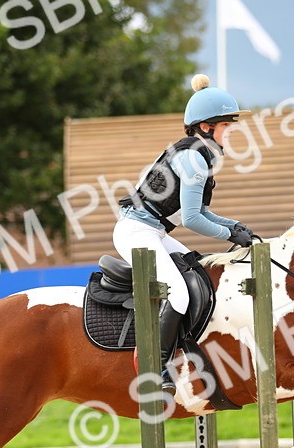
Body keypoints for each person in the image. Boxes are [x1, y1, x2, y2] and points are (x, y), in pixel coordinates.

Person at [115, 74, 256, 391]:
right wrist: (228, 235)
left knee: (199, 273)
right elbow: (192, 219)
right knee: (177, 293)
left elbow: (200, 212)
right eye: (227, 126)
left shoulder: (196, 153)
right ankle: (156, 367)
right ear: (207, 127)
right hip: (138, 232)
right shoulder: (194, 157)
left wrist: (233, 225)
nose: (232, 132)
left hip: (154, 231)